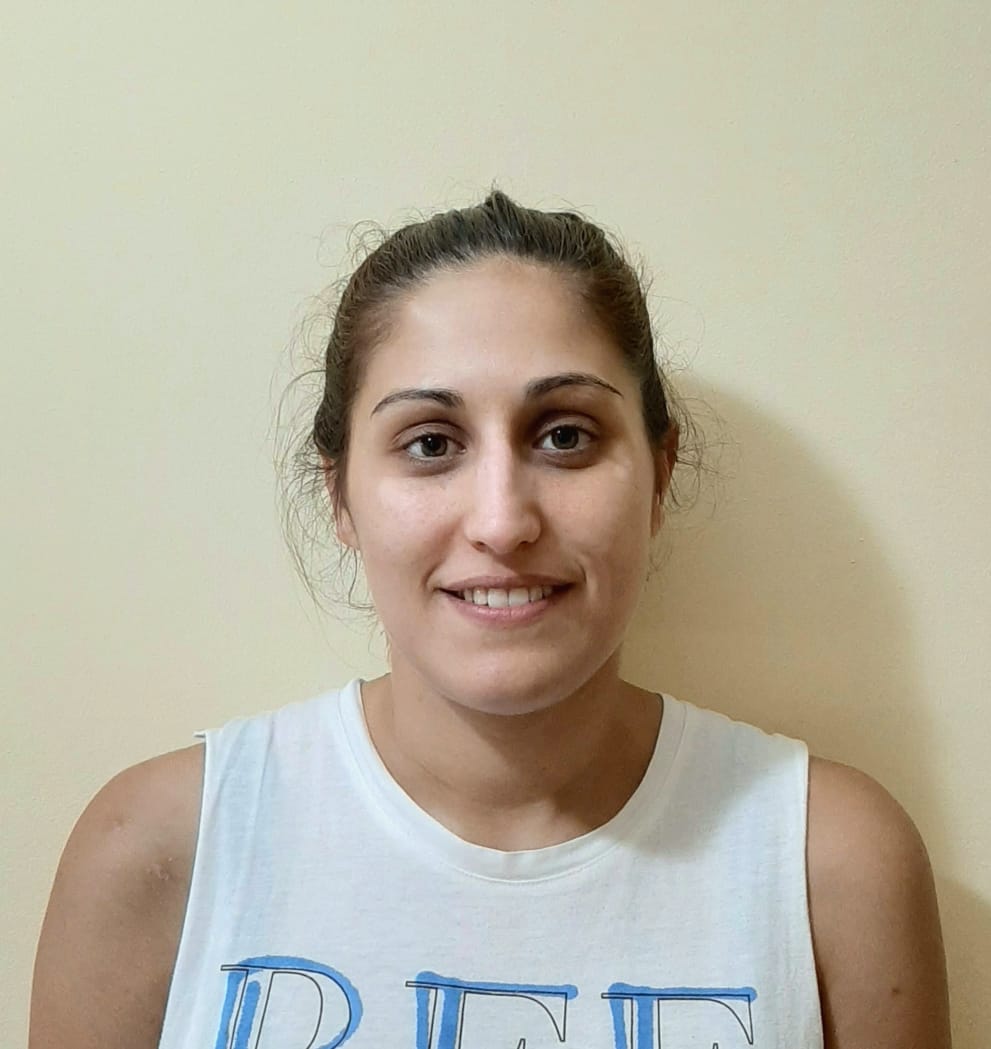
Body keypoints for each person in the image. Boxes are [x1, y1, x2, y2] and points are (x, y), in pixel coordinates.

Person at [30, 192, 951, 1049]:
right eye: (431, 443)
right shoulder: (160, 847)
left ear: (659, 474)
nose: (503, 521)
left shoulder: (828, 859)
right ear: (340, 495)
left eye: (565, 435)